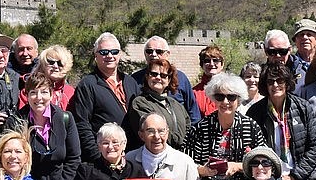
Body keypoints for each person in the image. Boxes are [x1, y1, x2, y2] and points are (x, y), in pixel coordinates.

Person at [246, 63, 316, 180]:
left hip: (303, 179)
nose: (275, 85)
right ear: (265, 85)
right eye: (270, 81)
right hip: (270, 179)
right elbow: (251, 149)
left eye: (280, 80)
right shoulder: (255, 112)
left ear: (287, 83)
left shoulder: (302, 107)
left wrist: (295, 177)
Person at [70, 32, 140, 163]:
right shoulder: (88, 84)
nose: (109, 56)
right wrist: (98, 157)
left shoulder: (130, 82)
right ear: (95, 55)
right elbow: (82, 124)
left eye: (114, 51)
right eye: (104, 52)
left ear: (120, 54)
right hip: (103, 159)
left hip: (132, 157)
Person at [123, 57, 190, 151]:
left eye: (163, 75)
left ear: (169, 80)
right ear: (147, 77)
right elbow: (151, 131)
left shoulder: (176, 105)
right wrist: (180, 142)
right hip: (153, 157)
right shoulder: (140, 103)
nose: (158, 78)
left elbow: (189, 129)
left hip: (180, 158)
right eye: (154, 74)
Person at [129, 36, 200, 123]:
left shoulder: (181, 78)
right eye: (149, 51)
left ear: (167, 54)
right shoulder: (135, 79)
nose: (153, 54)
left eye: (159, 51)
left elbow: (193, 111)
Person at [19, 45, 75, 110]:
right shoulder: (30, 89)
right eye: (51, 62)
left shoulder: (71, 92)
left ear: (66, 67)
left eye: (60, 63)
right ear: (43, 65)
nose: (55, 66)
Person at [193, 45, 226, 117]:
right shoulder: (194, 93)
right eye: (207, 61)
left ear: (222, 64)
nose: (211, 64)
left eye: (215, 60)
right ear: (202, 65)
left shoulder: (230, 89)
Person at [290, 19, 316, 93]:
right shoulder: (289, 64)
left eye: (309, 34)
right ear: (295, 41)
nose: (305, 37)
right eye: (301, 35)